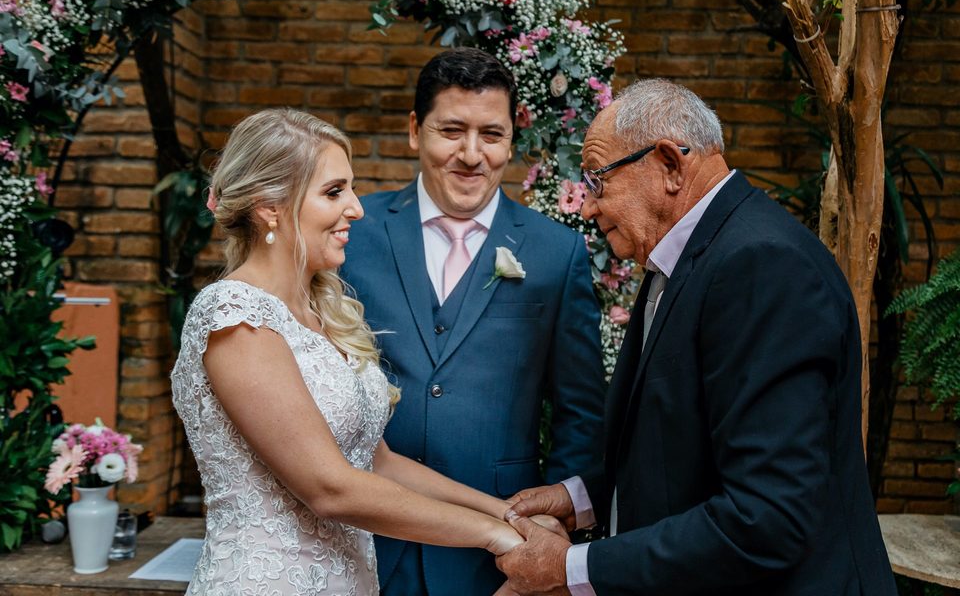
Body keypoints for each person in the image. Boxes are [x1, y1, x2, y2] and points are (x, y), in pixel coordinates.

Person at [496, 79, 898, 595]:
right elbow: (683, 449)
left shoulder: (764, 266)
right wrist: (581, 500)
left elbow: (767, 516)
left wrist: (571, 567)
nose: (587, 208)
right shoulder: (683, 254)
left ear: (668, 164)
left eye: (598, 181)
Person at [171, 108, 547, 595]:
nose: (356, 208)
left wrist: (507, 514)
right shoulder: (235, 316)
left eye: (350, 188)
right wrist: (495, 538)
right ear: (270, 207)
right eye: (334, 192)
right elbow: (330, 488)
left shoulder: (322, 308)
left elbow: (377, 462)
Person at [339, 47, 606, 596]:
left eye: (491, 134)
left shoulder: (557, 252)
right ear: (414, 130)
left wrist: (554, 524)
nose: (470, 154)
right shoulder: (351, 236)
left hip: (498, 551)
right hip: (361, 536)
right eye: (452, 130)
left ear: (511, 140)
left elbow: (580, 411)